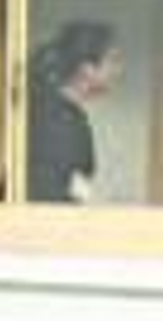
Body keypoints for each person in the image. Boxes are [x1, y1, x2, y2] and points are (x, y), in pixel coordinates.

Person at [26, 21, 122, 205]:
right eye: (112, 61)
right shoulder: (54, 119)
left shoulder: (72, 118)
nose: (118, 70)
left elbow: (74, 181)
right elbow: (49, 194)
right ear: (86, 69)